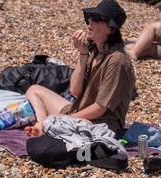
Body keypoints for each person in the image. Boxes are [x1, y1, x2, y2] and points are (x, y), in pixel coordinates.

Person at [25, 0, 136, 138]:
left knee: (56, 122)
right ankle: (41, 125)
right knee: (34, 90)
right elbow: (75, 91)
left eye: (96, 18)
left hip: (101, 123)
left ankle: (46, 126)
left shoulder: (117, 61)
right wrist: (83, 53)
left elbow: (99, 108)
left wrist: (62, 118)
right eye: (89, 17)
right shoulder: (95, 51)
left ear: (111, 28)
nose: (90, 21)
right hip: (79, 110)